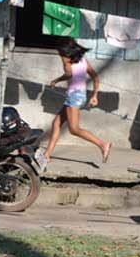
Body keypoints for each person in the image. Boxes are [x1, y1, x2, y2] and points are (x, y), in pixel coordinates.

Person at [38, 38, 112, 171]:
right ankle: (47, 154)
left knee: (74, 129)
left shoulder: (66, 61)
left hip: (74, 97)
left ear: (65, 52)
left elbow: (69, 74)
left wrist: (56, 80)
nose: (59, 55)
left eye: (60, 53)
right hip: (79, 95)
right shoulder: (84, 60)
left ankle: (102, 144)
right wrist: (95, 95)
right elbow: (95, 76)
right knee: (56, 124)